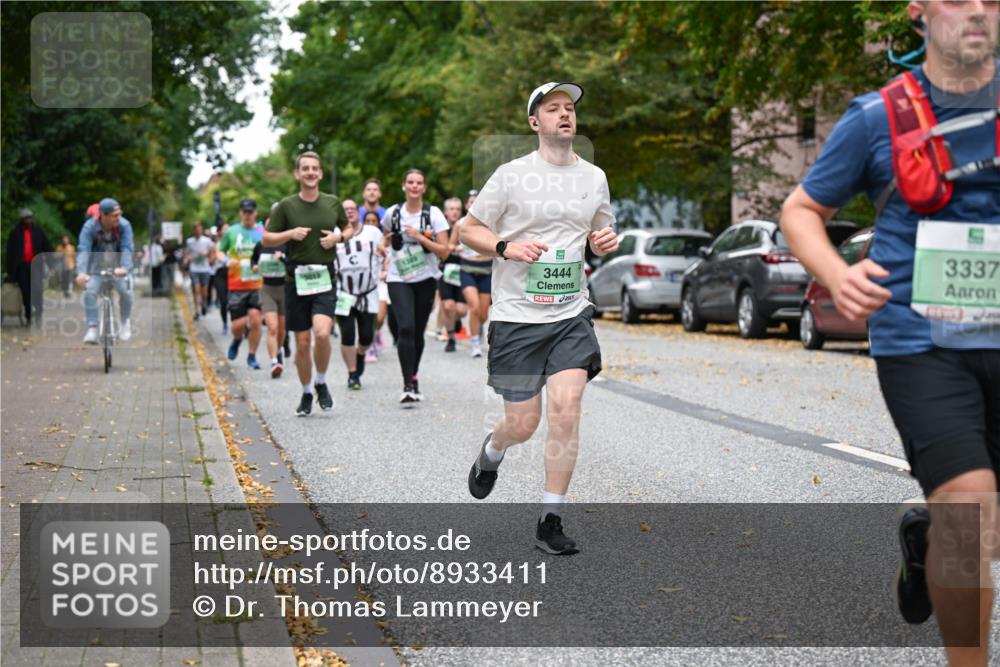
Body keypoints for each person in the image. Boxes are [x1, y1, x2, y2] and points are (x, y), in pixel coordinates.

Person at [780, 3, 999, 664]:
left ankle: (924, 540)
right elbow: (801, 210)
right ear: (919, 10)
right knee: (972, 510)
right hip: (921, 344)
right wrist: (837, 275)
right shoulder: (878, 117)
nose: (980, 10)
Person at [461, 82, 619, 555]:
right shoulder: (511, 175)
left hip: (571, 312)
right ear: (536, 123)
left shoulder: (594, 176)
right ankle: (493, 451)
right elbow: (468, 229)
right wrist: (506, 247)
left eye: (569, 108)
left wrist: (603, 242)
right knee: (524, 424)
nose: (564, 114)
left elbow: (599, 231)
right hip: (516, 316)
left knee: (566, 411)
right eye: (553, 109)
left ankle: (550, 518)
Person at [264, 151, 353, 417]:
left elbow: (348, 229)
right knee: (302, 342)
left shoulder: (332, 202)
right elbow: (266, 239)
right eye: (305, 168)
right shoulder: (287, 206)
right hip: (296, 281)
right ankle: (305, 391)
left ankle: (322, 382)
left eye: (315, 168)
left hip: (325, 278)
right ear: (297, 173)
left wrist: (338, 238)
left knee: (323, 333)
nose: (310, 172)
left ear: (321, 173)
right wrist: (290, 234)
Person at [381, 169, 452, 405]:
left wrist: (420, 237)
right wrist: (383, 249)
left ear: (424, 187)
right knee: (406, 328)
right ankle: (407, 384)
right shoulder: (392, 213)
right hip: (398, 277)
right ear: (403, 186)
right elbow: (385, 238)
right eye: (410, 182)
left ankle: (414, 374)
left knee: (418, 330)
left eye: (418, 183)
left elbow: (444, 251)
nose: (414, 186)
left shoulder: (433, 214)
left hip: (425, 277)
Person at [335, 199, 384, 389]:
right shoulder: (334, 234)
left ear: (358, 211)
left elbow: (384, 251)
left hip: (368, 292)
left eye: (352, 209)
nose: (349, 212)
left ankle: (361, 353)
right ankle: (352, 374)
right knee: (347, 334)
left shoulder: (372, 232)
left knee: (366, 337)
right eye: (345, 209)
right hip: (343, 293)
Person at [76, 198, 135, 343]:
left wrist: (125, 268)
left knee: (125, 292)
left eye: (119, 214)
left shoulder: (124, 225)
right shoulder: (89, 228)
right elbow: (84, 250)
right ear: (104, 215)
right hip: (97, 267)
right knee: (90, 291)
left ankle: (125, 322)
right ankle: (92, 328)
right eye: (115, 215)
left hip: (119, 267)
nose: (118, 218)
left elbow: (127, 248)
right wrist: (81, 272)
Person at [219, 199, 265, 370]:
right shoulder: (231, 231)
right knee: (237, 325)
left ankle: (252, 355)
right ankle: (237, 339)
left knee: (255, 321)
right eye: (245, 212)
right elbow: (219, 250)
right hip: (236, 285)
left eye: (250, 212)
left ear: (255, 213)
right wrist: (225, 260)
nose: (248, 215)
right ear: (240, 213)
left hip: (256, 284)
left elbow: (270, 249)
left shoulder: (262, 232)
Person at [251, 215, 289, 378]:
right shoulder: (261, 245)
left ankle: (279, 350)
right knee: (272, 327)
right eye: (269, 227)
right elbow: (253, 260)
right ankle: (274, 361)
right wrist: (254, 266)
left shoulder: (287, 245)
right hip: (267, 289)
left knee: (281, 330)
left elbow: (294, 264)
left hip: (284, 289)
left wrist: (284, 259)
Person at [5, 208, 53, 326]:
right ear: (22, 220)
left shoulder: (38, 231)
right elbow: (10, 253)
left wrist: (51, 264)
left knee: (37, 290)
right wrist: (10, 271)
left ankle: (38, 315)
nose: (29, 220)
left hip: (36, 266)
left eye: (30, 217)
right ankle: (28, 316)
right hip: (21, 267)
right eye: (26, 218)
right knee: (26, 292)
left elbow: (47, 247)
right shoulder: (15, 233)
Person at [437, 197, 469, 352]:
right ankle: (451, 339)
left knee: (462, 310)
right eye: (451, 209)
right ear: (445, 212)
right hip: (445, 272)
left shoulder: (466, 227)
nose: (455, 211)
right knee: (448, 306)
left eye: (457, 208)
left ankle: (455, 321)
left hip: (464, 271)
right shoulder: (440, 230)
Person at [184, 223, 215, 320]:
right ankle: (196, 311)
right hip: (194, 268)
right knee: (196, 290)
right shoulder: (189, 241)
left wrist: (209, 258)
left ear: (201, 230)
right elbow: (187, 253)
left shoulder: (207, 241)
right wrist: (187, 258)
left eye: (199, 230)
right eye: (196, 230)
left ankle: (204, 304)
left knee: (204, 291)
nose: (198, 232)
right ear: (193, 231)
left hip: (205, 269)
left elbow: (213, 251)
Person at [213, 222, 230, 333]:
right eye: (225, 229)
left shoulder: (234, 242)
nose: (227, 231)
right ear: (219, 231)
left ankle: (241, 324)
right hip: (220, 273)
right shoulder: (217, 245)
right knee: (223, 301)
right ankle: (225, 323)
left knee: (234, 301)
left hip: (232, 273)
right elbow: (216, 256)